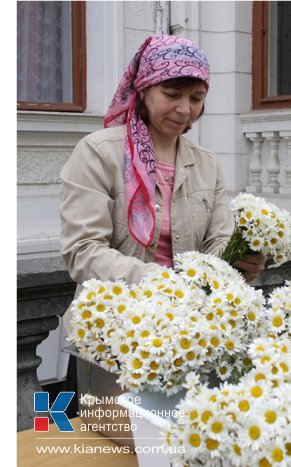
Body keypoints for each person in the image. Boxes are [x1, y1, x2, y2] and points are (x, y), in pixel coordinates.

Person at [60, 35, 266, 311]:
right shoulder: (99, 153)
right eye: (172, 95)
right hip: (113, 329)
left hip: (189, 328)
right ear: (143, 90)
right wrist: (166, 283)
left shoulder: (207, 164)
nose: (184, 110)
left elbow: (216, 242)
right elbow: (83, 252)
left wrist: (239, 258)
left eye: (196, 98)